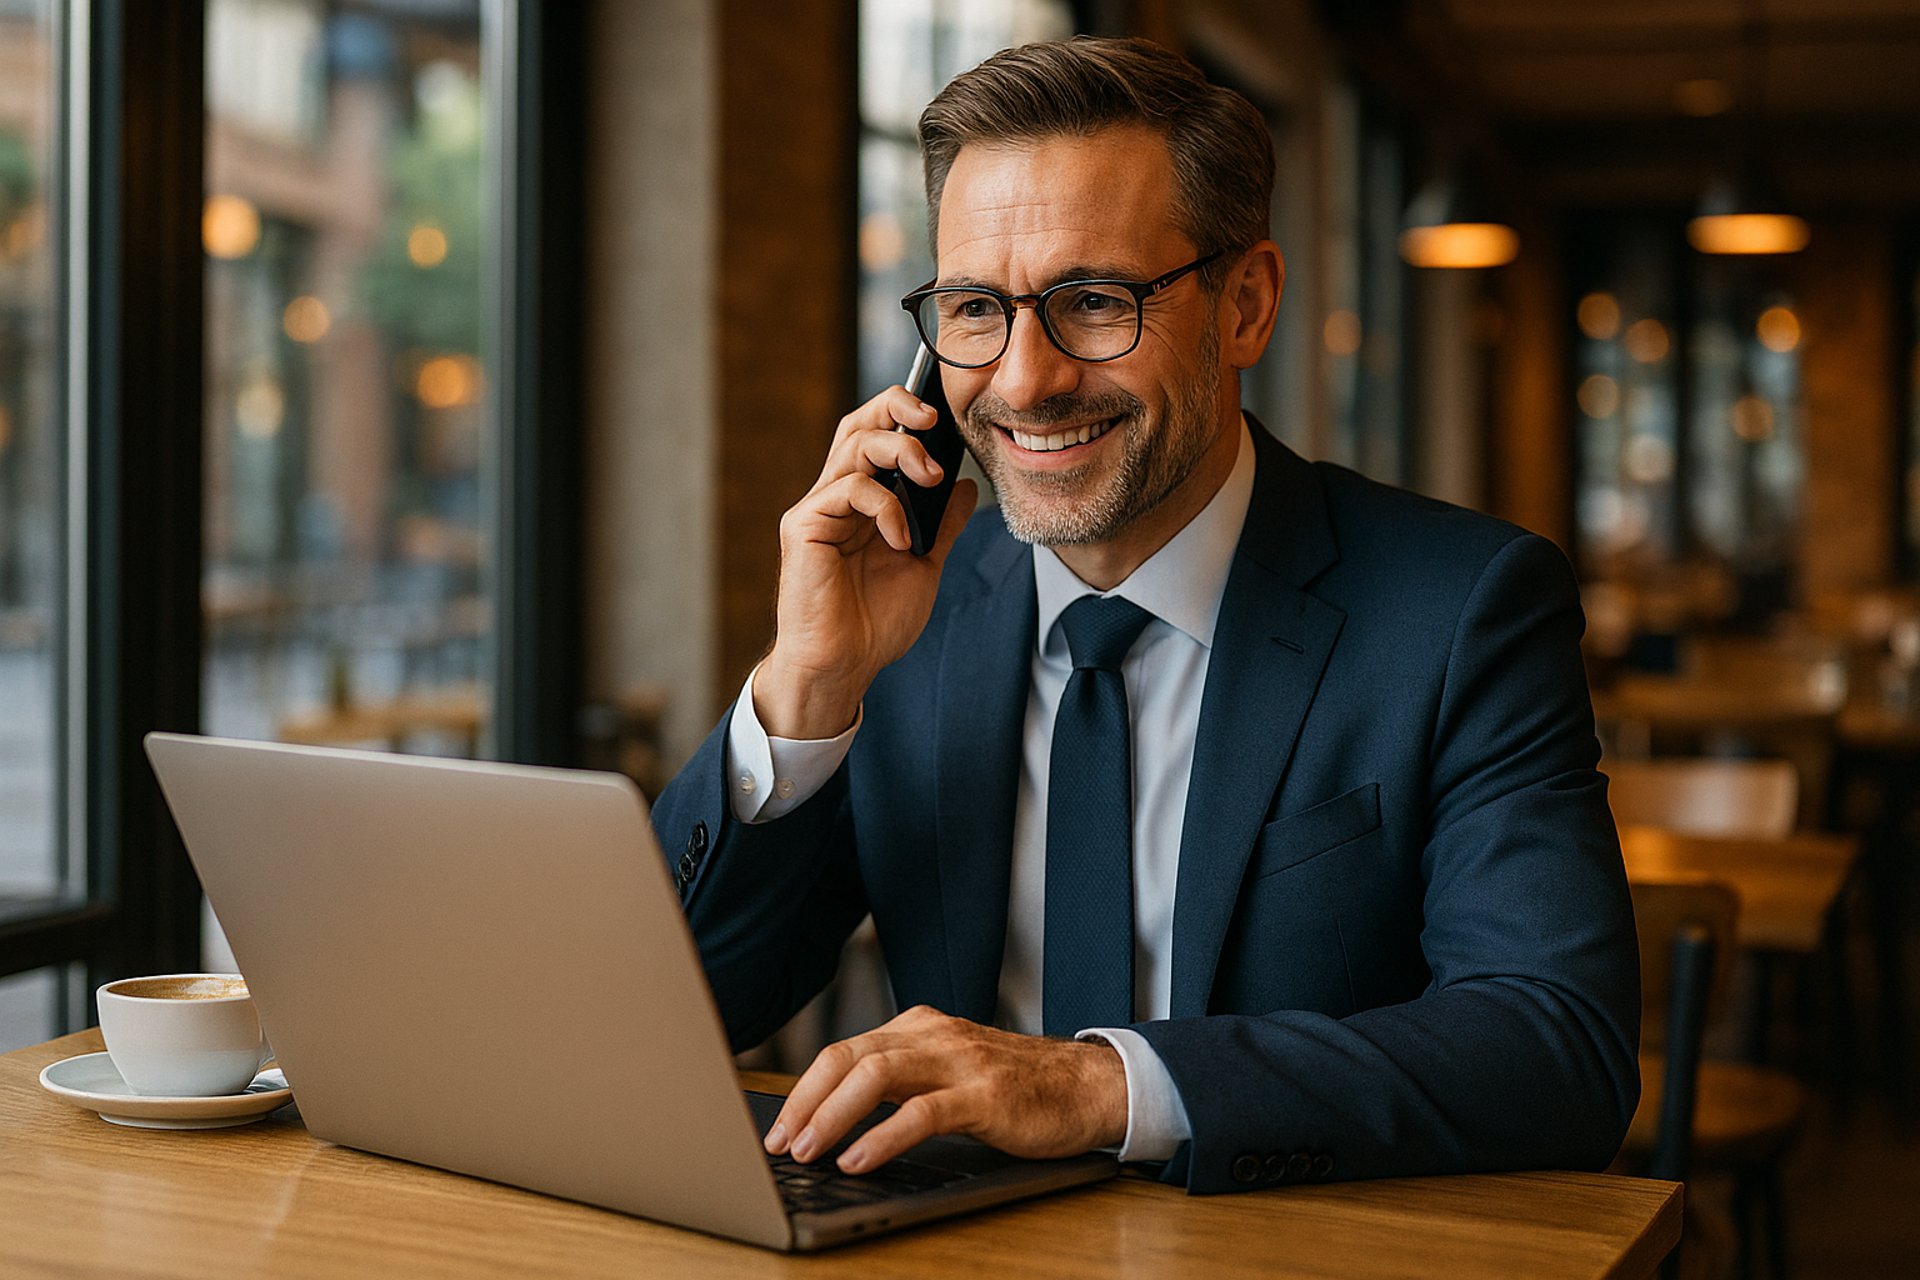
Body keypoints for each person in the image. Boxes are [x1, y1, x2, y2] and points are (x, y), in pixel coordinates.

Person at [650, 36, 1638, 1194]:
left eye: (1093, 301)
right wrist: (808, 687)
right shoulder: (906, 612)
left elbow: (1556, 1046)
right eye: (976, 308)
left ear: (1247, 306)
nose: (1023, 380)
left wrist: (1097, 1086)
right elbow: (676, 1010)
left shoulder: (1464, 607)